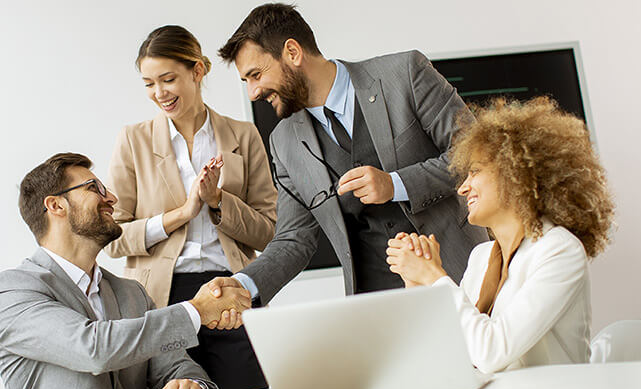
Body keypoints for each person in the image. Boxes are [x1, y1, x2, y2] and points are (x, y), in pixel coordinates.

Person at [209, 3, 488, 305]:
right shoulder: (283, 141)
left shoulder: (405, 74)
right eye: (246, 81)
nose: (253, 92)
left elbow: (476, 156)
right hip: (375, 304)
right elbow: (294, 239)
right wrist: (243, 284)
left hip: (458, 275)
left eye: (256, 74)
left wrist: (395, 184)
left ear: (292, 52)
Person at [0, 153, 251, 389]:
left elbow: (177, 367)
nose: (111, 198)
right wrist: (197, 310)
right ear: (55, 205)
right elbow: (94, 348)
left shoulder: (132, 293)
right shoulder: (12, 291)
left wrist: (190, 385)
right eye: (94, 188)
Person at [103, 26, 277, 389]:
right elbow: (113, 237)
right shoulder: (133, 140)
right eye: (149, 83)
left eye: (168, 79)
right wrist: (182, 213)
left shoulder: (244, 136)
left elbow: (269, 231)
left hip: (228, 289)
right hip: (160, 298)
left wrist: (218, 202)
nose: (159, 93)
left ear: (197, 71)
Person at [386, 97, 615, 374]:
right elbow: (451, 352)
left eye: (475, 172)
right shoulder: (481, 256)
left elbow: (491, 354)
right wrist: (417, 283)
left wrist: (434, 277)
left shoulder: (559, 249)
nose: (463, 188)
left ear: (514, 171)